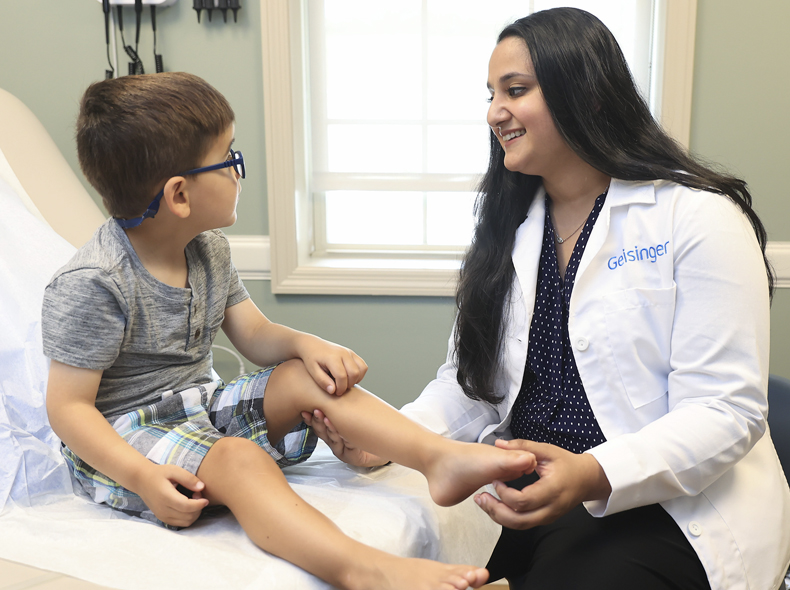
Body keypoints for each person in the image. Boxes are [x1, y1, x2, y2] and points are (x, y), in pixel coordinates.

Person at [305, 7, 790, 590]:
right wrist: (390, 444)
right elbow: (472, 388)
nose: (494, 113)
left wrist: (590, 473)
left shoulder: (699, 218)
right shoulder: (507, 230)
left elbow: (726, 409)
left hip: (664, 508)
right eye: (490, 95)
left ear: (586, 95)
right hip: (533, 500)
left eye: (515, 90)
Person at [41, 72, 539, 590]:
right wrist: (140, 476)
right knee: (238, 456)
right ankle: (362, 569)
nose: (239, 170)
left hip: (196, 405)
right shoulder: (95, 283)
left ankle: (440, 457)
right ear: (180, 195)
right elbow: (69, 409)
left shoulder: (207, 249)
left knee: (302, 375)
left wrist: (305, 345)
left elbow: (255, 336)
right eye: (228, 158)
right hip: (124, 437)